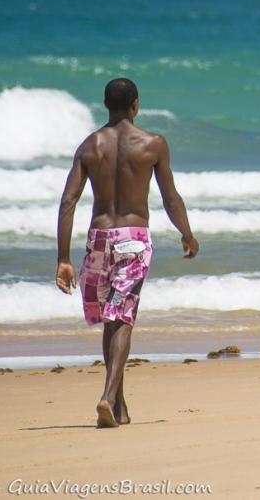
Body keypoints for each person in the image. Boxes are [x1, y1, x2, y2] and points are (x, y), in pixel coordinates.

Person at [55, 77, 199, 428]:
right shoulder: (153, 144)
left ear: (106, 105)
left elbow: (68, 201)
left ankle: (119, 406)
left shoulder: (90, 146)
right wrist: (187, 233)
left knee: (112, 318)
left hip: (99, 236)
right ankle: (107, 396)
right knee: (123, 319)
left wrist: (63, 258)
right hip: (134, 238)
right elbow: (170, 197)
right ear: (136, 104)